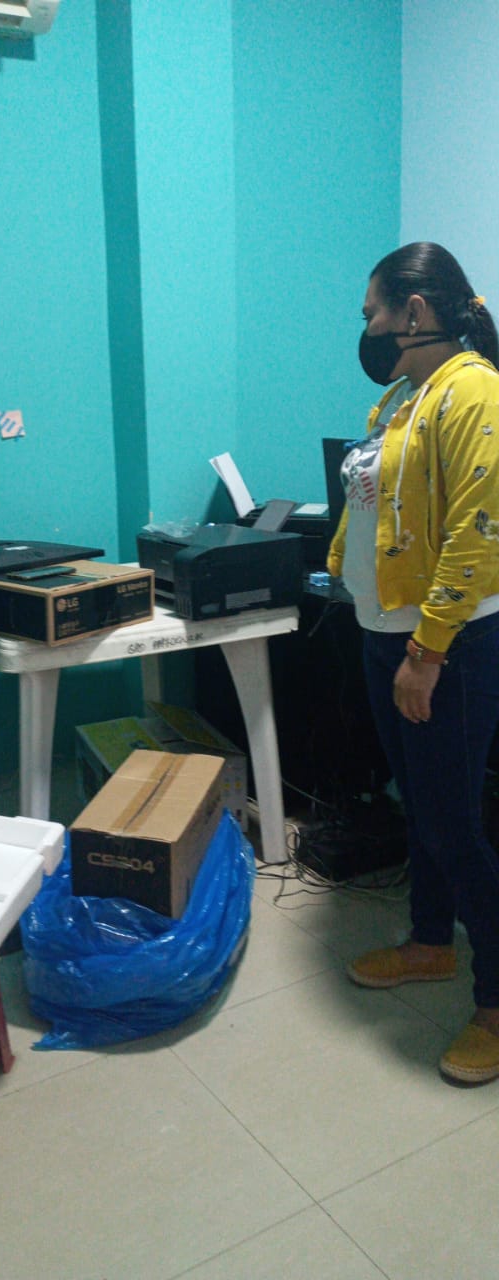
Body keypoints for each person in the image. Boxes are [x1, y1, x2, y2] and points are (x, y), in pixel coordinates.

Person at [327, 242, 499, 1085]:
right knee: (421, 808)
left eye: (373, 313)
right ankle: (431, 943)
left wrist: (426, 652)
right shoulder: (404, 396)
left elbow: (480, 530)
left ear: (415, 311)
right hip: (385, 632)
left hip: (445, 646)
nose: (366, 329)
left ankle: (497, 1001)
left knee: (455, 826)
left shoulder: (475, 392)